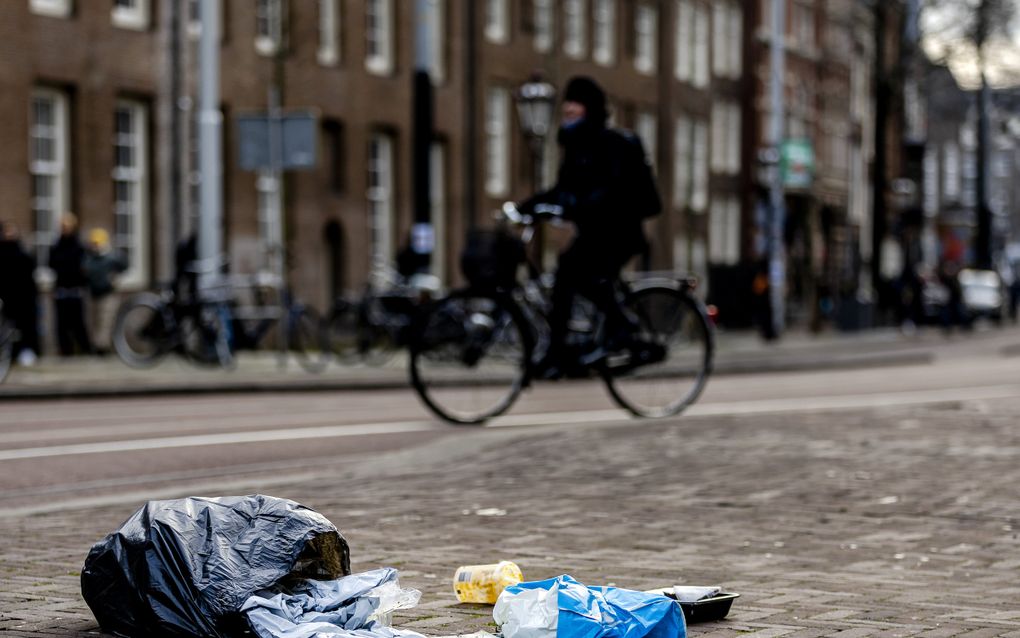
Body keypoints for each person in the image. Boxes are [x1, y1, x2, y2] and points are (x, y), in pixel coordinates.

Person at [518, 76, 661, 378]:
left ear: (589, 109)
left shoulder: (610, 144)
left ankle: (623, 329)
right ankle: (561, 350)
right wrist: (526, 206)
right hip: (595, 234)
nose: (568, 109)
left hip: (619, 234)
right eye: (567, 105)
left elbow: (609, 191)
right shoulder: (575, 147)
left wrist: (576, 205)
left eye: (575, 105)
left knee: (578, 276)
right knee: (566, 275)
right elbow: (563, 189)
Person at [49, 213, 93, 355]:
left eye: (68, 227)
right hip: (61, 289)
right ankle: (65, 349)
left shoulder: (79, 247)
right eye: (63, 227)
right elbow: (51, 264)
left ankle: (84, 348)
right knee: (61, 323)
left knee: (78, 322)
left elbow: (85, 267)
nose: (65, 229)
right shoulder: (56, 247)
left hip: (76, 289)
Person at [0, 221, 40, 365]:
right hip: (5, 298)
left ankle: (25, 351)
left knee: (24, 327)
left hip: (23, 298)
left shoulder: (24, 256)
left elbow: (29, 279)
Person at [83, 228, 127, 355]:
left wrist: (114, 278)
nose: (95, 246)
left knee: (105, 320)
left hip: (108, 293)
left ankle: (102, 347)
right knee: (93, 321)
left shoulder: (111, 257)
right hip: (93, 293)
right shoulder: (89, 258)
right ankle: (96, 344)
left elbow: (124, 266)